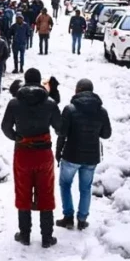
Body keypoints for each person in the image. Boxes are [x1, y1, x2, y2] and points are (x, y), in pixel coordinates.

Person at [1, 68, 62, 247]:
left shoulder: (14, 103)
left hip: (22, 152)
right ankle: (46, 237)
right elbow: (59, 127)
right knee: (46, 192)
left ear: (25, 81)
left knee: (23, 192)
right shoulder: (50, 103)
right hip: (44, 154)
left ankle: (25, 234)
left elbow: (5, 127)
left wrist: (16, 137)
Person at [55, 79, 112, 231]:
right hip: (91, 157)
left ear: (78, 90)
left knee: (65, 184)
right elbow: (106, 134)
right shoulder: (101, 111)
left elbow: (62, 133)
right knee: (85, 188)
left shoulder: (70, 109)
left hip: (71, 155)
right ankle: (82, 219)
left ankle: (68, 217)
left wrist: (58, 152)